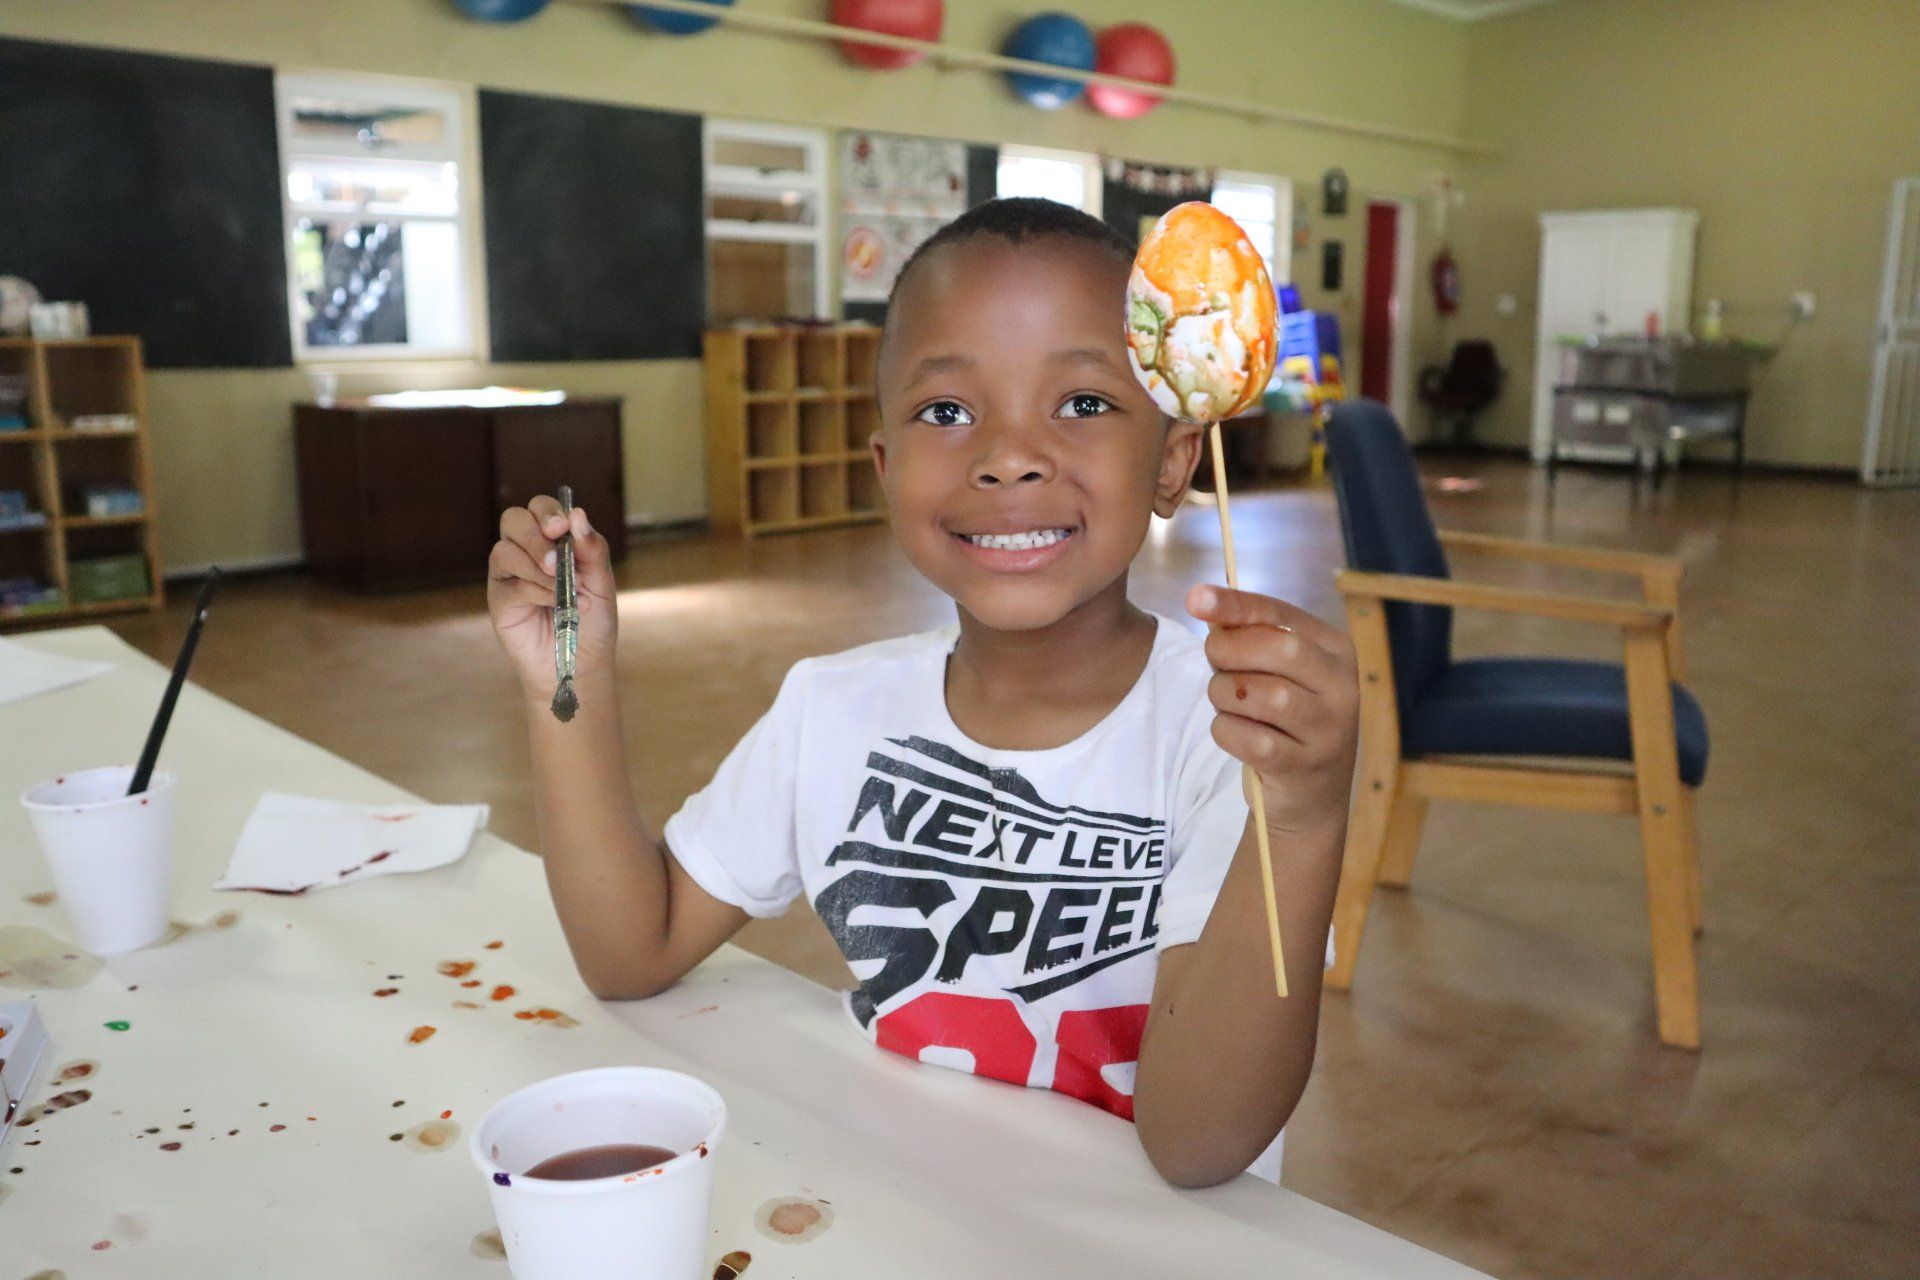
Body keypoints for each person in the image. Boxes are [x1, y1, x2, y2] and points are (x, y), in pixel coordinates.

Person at [487, 198, 1358, 1188]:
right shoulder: (831, 711)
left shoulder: (1230, 737)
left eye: (1081, 403)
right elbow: (627, 948)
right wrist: (567, 672)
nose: (1008, 454)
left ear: (1171, 459)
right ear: (887, 467)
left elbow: (1197, 1141)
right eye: (948, 412)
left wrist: (1302, 816)